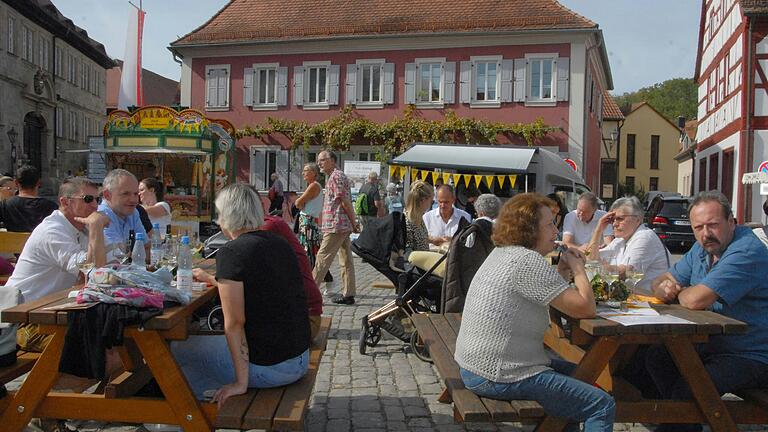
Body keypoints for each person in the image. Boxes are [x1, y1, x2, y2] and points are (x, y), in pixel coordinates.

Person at [454, 193, 614, 431]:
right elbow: (586, 309)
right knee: (601, 404)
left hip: (480, 363)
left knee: (585, 376)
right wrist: (579, 269)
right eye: (549, 225)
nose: (555, 232)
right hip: (496, 372)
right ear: (529, 230)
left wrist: (561, 270)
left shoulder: (506, 252)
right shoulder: (526, 262)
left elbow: (549, 296)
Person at [172, 184, 309, 406]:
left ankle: (194, 417)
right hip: (298, 359)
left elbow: (234, 323)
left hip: (270, 367)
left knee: (177, 348)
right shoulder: (278, 243)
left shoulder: (232, 251)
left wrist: (240, 383)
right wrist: (212, 280)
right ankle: (205, 400)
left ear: (226, 215)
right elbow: (259, 289)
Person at [647, 191, 768, 432]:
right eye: (698, 227)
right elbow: (660, 280)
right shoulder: (703, 248)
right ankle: (682, 423)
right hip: (713, 344)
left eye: (713, 225)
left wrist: (679, 291)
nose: (705, 233)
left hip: (751, 354)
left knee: (692, 386)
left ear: (731, 222)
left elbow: (695, 301)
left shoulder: (745, 251)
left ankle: (683, 421)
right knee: (655, 358)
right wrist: (664, 288)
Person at [196, 190, 324, 340]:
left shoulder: (265, 230)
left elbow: (245, 290)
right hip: (299, 317)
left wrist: (210, 278)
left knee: (190, 350)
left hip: (300, 322)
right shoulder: (271, 226)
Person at [2, 177, 109, 353]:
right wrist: (96, 229)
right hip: (22, 321)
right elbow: (92, 270)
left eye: (98, 199)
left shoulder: (80, 228)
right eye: (88, 199)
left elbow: (104, 269)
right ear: (65, 202)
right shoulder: (53, 231)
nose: (95, 206)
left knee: (113, 339)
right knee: (96, 352)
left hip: (50, 314)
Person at [587, 196, 670, 295]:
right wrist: (599, 229)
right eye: (612, 220)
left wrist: (596, 265)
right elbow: (590, 258)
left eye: (620, 219)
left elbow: (624, 273)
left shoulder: (645, 236)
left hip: (653, 303)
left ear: (638, 220)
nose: (614, 224)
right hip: (631, 299)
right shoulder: (620, 240)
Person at [311, 150, 359, 305]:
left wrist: (354, 222)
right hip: (339, 224)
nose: (319, 163)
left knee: (322, 258)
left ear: (332, 160)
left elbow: (344, 201)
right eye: (318, 161)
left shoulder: (336, 176)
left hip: (336, 225)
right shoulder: (333, 176)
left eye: (322, 160)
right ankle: (348, 293)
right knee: (346, 259)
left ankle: (309, 294)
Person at [98, 169, 148, 263]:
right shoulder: (101, 215)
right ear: (107, 195)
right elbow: (117, 256)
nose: (133, 200)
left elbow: (145, 246)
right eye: (126, 194)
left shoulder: (133, 212)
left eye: (135, 194)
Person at [0, 165, 58, 232]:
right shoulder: (51, 207)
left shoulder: (5, 206)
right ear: (39, 183)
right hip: (39, 242)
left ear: (16, 183)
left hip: (13, 242)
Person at [294, 163, 324, 268]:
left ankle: (312, 271)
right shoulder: (313, 185)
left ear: (314, 173)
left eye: (306, 170)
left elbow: (298, 203)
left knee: (309, 247)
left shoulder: (314, 185)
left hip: (308, 220)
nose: (303, 173)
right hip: (308, 220)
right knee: (309, 246)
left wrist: (301, 203)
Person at [403, 180, 434, 253]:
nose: (430, 204)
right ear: (423, 200)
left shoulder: (419, 218)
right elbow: (408, 252)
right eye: (431, 201)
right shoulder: (407, 221)